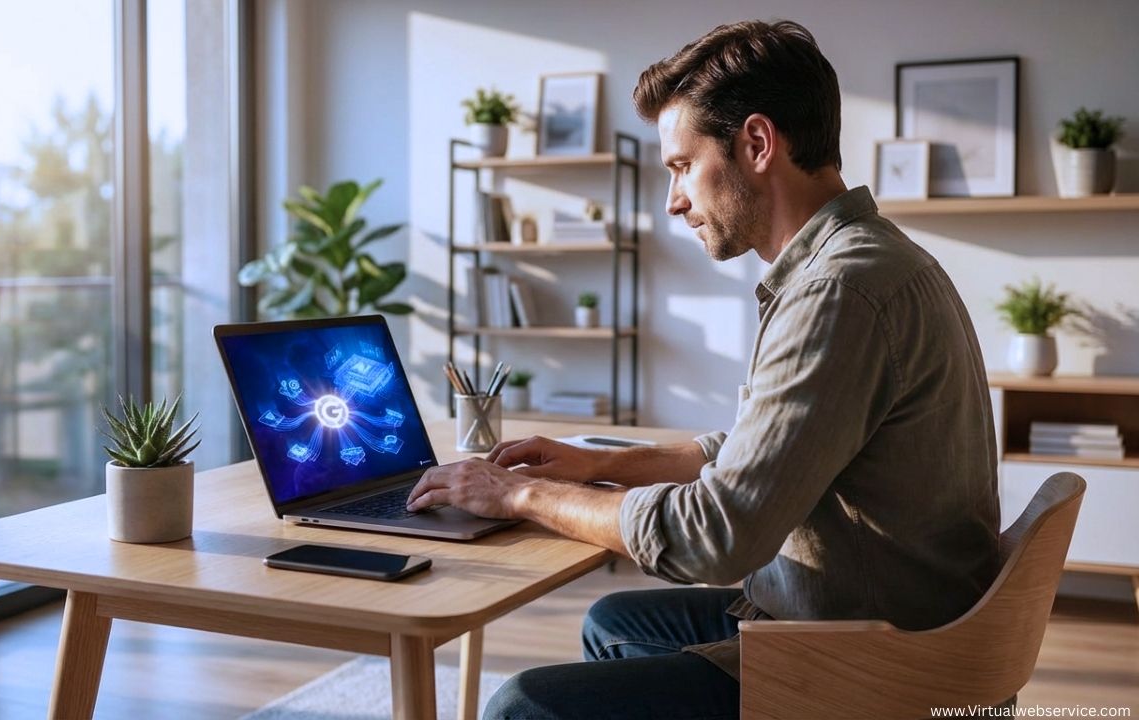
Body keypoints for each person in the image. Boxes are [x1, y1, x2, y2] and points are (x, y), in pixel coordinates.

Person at [407, 18, 1000, 719]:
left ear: (756, 143)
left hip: (868, 665)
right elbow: (762, 451)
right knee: (614, 622)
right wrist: (590, 463)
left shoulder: (838, 293)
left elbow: (715, 537)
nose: (674, 200)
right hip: (872, 621)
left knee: (525, 705)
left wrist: (519, 497)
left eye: (682, 165)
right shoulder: (864, 260)